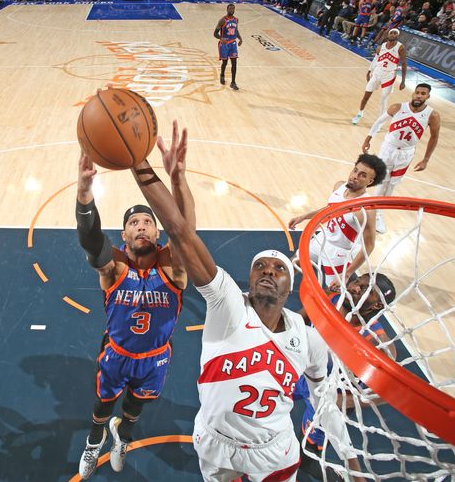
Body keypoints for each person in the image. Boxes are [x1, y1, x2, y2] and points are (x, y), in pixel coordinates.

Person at [129, 126, 354, 481]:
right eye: (259, 267)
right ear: (247, 282)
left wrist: (351, 463)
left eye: (278, 268)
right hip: (217, 443)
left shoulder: (308, 338)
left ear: (289, 286)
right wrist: (137, 160)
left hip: (275, 450)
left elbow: (324, 403)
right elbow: (178, 229)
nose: (268, 271)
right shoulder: (228, 305)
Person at [75, 125, 189, 479]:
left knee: (134, 410)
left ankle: (121, 439)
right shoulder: (114, 267)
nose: (141, 226)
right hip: (117, 353)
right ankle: (93, 442)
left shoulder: (174, 266)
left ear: (158, 232)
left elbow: (185, 229)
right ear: (123, 234)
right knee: (102, 405)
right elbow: (91, 240)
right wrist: (84, 192)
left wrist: (176, 180)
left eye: (147, 222)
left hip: (154, 358)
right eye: (133, 223)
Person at [294, 273, 397, 482]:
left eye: (366, 289)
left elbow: (390, 391)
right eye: (358, 281)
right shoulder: (331, 299)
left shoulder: (377, 343)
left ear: (377, 306)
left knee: (308, 450)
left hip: (329, 398)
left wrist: (347, 401)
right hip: (299, 373)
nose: (356, 286)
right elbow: (297, 321)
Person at [288, 154, 386, 288]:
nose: (355, 176)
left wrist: (347, 273)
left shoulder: (365, 210)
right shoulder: (339, 186)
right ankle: (278, 288)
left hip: (338, 253)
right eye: (355, 170)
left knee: (332, 290)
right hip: (322, 238)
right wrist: (304, 216)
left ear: (370, 181)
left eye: (362, 175)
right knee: (294, 261)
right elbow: (330, 210)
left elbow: (369, 246)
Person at [362, 83, 441, 233]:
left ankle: (379, 213)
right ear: (413, 94)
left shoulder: (432, 115)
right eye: (417, 92)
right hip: (388, 149)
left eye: (423, 93)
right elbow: (379, 121)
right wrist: (368, 138)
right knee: (382, 180)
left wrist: (426, 159)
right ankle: (373, 212)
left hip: (406, 153)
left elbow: (434, 137)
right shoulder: (397, 107)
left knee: (392, 184)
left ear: (428, 96)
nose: (419, 95)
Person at [352, 28, 407, 125]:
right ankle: (360, 113)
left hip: (389, 75)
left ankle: (380, 121)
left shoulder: (400, 47)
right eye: (391, 33)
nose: (393, 35)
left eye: (395, 33)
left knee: (383, 98)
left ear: (397, 36)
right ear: (388, 35)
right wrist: (369, 71)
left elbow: (404, 64)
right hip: (377, 73)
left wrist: (403, 81)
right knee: (366, 95)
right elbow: (375, 59)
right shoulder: (381, 46)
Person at [214, 3, 242, 91]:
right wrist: (220, 38)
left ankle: (233, 82)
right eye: (230, 9)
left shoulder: (236, 20)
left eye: (233, 9)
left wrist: (240, 39)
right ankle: (222, 74)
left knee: (234, 63)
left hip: (233, 44)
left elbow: (236, 30)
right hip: (224, 44)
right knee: (225, 63)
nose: (231, 10)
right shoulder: (222, 20)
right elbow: (215, 33)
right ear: (227, 9)